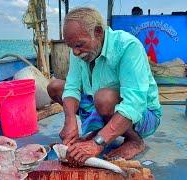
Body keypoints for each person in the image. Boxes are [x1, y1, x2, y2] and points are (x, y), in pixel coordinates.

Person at [47, 7, 162, 164]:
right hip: (100, 106)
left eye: (79, 45)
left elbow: (134, 104)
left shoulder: (128, 46)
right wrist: (70, 121)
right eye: (71, 46)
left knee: (104, 98)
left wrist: (97, 143)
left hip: (144, 114)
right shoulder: (78, 50)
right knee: (55, 87)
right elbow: (72, 87)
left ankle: (135, 141)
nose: (74, 52)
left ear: (98, 32)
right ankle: (99, 130)